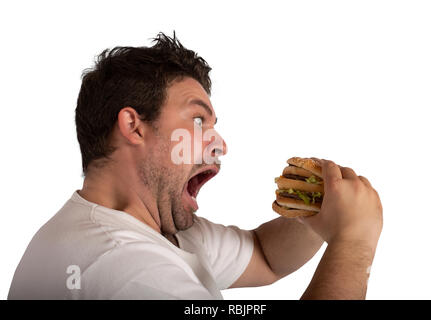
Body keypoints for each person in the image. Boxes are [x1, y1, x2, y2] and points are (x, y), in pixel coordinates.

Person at [8, 32, 383, 300]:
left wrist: (316, 205)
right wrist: (354, 242)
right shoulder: (123, 267)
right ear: (134, 126)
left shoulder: (156, 231)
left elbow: (265, 256)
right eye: (199, 121)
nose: (219, 144)